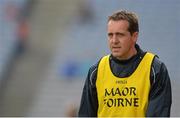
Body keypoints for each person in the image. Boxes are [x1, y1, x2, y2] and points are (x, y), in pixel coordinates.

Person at [78, 10, 172, 117]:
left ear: (134, 36)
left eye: (120, 35)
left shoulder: (155, 69)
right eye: (110, 35)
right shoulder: (96, 71)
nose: (114, 41)